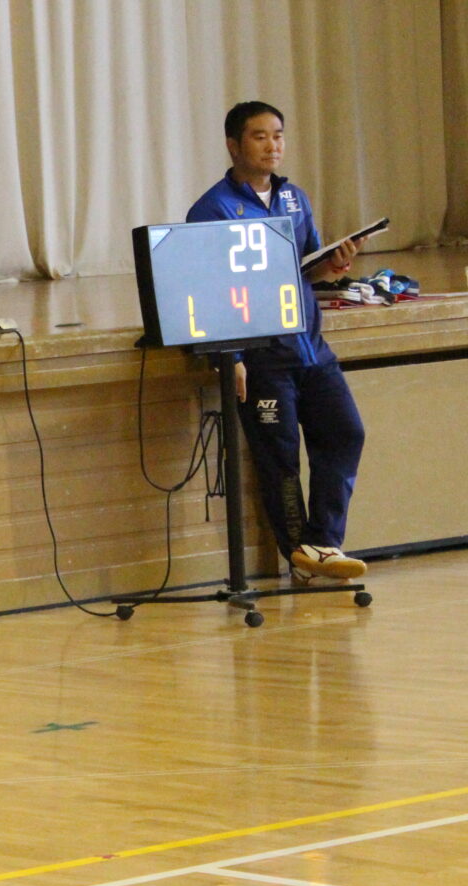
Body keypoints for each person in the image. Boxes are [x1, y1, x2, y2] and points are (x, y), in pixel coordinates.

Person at [186, 101, 368, 586]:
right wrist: (234, 357)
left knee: (346, 433)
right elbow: (210, 288)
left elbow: (303, 266)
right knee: (280, 458)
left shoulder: (296, 199)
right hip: (263, 354)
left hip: (310, 347)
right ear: (234, 145)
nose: (273, 146)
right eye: (260, 137)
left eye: (279, 136)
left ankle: (323, 543)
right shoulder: (213, 209)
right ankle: (300, 556)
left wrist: (333, 265)